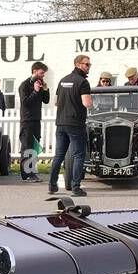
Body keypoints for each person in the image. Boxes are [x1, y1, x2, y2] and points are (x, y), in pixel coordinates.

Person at [50, 54, 92, 197]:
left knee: (59, 154)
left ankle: (51, 185)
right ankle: (76, 187)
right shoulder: (83, 82)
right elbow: (86, 103)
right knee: (79, 154)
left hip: (61, 122)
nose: (88, 67)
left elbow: (56, 102)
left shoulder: (63, 80)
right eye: (87, 64)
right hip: (75, 123)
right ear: (78, 64)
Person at [17, 60, 49, 183]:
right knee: (27, 147)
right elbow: (25, 103)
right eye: (41, 73)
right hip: (27, 121)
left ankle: (32, 172)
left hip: (36, 120)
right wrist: (35, 91)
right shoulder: (24, 85)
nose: (43, 76)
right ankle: (26, 174)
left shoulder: (39, 84)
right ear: (34, 71)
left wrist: (45, 89)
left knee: (34, 148)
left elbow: (46, 100)